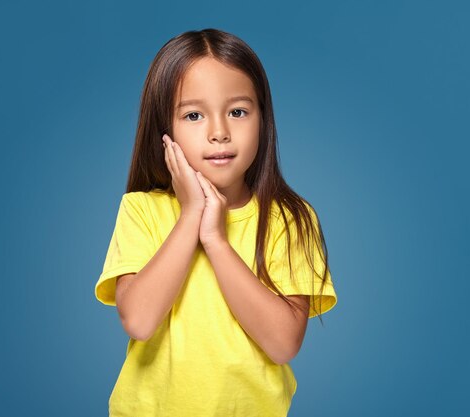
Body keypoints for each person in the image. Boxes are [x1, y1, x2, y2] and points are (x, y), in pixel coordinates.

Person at [95, 28, 338, 417]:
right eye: (193, 115)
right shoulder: (141, 210)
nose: (219, 132)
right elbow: (139, 320)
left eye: (238, 111)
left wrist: (216, 240)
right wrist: (192, 215)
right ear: (164, 130)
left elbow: (283, 344)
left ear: (263, 118)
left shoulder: (290, 219)